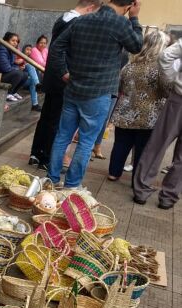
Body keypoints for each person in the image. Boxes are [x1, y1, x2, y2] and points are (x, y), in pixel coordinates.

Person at [46, 0, 143, 189]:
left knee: (62, 136)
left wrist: (63, 73)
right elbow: (137, 46)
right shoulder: (120, 23)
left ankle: (52, 179)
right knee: (86, 142)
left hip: (73, 89)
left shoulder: (82, 20)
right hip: (99, 93)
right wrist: (134, 18)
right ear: (130, 5)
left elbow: (56, 48)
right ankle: (72, 186)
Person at [29, 0, 103, 170]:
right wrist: (65, 73)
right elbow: (61, 50)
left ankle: (36, 153)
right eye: (94, 13)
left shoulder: (63, 17)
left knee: (47, 118)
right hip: (63, 78)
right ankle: (46, 158)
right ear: (90, 8)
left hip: (54, 78)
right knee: (55, 121)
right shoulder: (76, 21)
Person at [107, 29, 170, 184]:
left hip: (124, 112)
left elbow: (120, 87)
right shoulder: (160, 68)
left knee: (121, 144)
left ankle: (114, 173)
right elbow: (166, 91)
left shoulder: (130, 65)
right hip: (149, 116)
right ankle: (137, 178)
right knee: (143, 148)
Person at [133, 38, 182, 209]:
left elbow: (165, 56)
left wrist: (172, 80)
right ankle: (168, 197)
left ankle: (141, 190)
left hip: (178, 99)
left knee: (157, 145)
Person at [0, 32, 29, 102]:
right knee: (18, 73)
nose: (15, 43)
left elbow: (12, 64)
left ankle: (13, 92)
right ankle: (7, 93)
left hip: (6, 74)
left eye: (16, 41)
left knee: (25, 74)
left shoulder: (11, 50)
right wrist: (17, 68)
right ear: (6, 41)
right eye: (13, 40)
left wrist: (18, 67)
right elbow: (6, 68)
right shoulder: (1, 50)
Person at [19, 43, 42, 111]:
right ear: (23, 50)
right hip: (18, 79)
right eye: (27, 49)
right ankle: (38, 84)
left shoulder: (30, 59)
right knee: (30, 66)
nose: (28, 51)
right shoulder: (19, 56)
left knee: (33, 82)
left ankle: (35, 104)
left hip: (25, 81)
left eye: (30, 50)